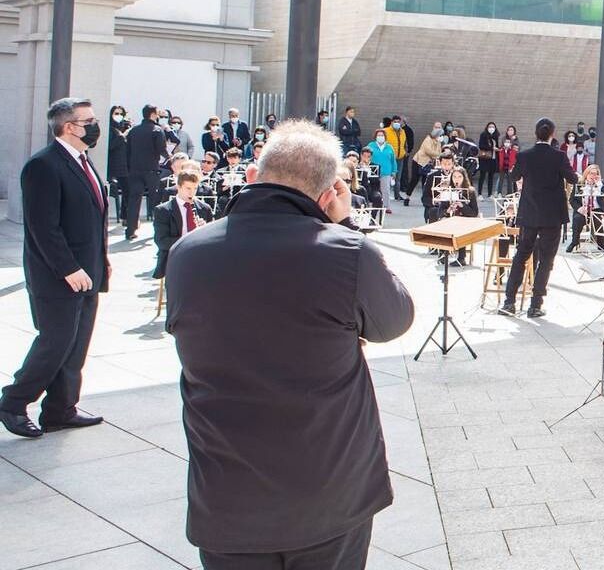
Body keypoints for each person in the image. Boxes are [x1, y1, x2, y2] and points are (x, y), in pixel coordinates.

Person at [165, 121, 414, 569]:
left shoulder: (187, 252)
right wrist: (348, 226)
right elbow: (392, 321)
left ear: (251, 177)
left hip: (226, 493)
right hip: (326, 494)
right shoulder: (345, 253)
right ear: (327, 194)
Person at [1, 99, 110, 439]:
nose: (95, 125)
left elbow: (92, 217)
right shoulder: (43, 166)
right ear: (69, 127)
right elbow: (43, 227)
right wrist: (69, 268)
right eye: (88, 120)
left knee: (76, 346)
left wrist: (100, 260)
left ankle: (60, 410)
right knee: (55, 343)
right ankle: (13, 403)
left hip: (88, 272)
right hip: (58, 276)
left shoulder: (83, 161)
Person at [502, 119, 582, 317]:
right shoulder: (559, 156)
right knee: (546, 260)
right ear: (552, 134)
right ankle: (535, 305)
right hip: (552, 215)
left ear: (536, 133)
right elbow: (572, 178)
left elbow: (513, 177)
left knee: (521, 256)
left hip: (529, 212)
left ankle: (509, 302)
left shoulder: (525, 155)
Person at [152, 169, 213, 280]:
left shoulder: (205, 208)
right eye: (188, 188)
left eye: (195, 188)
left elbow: (212, 241)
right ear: (178, 187)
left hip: (200, 257)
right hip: (175, 257)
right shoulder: (163, 210)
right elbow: (161, 241)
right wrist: (188, 243)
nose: (192, 193)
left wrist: (204, 230)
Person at [123, 104, 169, 239]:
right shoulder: (157, 130)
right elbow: (161, 149)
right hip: (151, 170)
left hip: (135, 170)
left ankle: (130, 231)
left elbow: (127, 151)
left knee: (134, 200)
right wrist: (170, 159)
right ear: (153, 114)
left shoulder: (134, 130)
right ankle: (158, 231)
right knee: (155, 201)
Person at [567, 164, 604, 252]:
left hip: (597, 209)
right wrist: (579, 209)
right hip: (583, 209)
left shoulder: (602, 184)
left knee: (599, 220)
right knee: (577, 219)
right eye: (591, 173)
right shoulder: (579, 184)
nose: (593, 176)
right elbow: (572, 200)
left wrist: (599, 185)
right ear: (586, 174)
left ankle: (601, 245)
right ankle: (574, 242)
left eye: (595, 174)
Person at [366, 129, 398, 214]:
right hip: (373, 171)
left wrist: (394, 171)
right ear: (375, 137)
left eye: (382, 135)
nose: (380, 137)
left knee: (386, 190)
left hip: (386, 171)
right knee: (373, 189)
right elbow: (366, 157)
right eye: (379, 135)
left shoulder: (389, 147)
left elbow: (393, 160)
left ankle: (386, 206)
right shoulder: (371, 146)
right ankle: (373, 205)